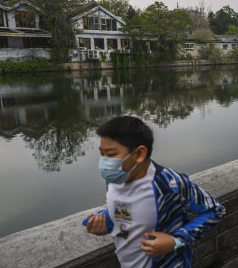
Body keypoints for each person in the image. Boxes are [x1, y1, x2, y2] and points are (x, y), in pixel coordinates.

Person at [83, 115, 225, 268]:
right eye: (102, 153)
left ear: (139, 154)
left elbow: (215, 210)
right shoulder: (113, 180)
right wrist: (106, 224)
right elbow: (126, 218)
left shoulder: (169, 183)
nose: (104, 162)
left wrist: (176, 241)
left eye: (110, 155)